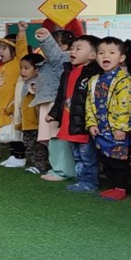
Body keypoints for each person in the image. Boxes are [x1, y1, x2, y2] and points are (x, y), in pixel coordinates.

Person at [85, 38, 131, 201]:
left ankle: (121, 188)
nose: (106, 56)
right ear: (95, 56)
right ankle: (113, 185)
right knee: (106, 159)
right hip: (101, 129)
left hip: (117, 130)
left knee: (119, 160)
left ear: (121, 57)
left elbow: (126, 106)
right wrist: (91, 123)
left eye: (112, 53)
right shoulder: (94, 80)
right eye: (101, 53)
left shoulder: (125, 80)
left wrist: (121, 127)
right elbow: (89, 104)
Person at [53, 34, 102, 194]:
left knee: (87, 156)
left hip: (83, 123)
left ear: (93, 55)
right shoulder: (68, 71)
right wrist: (54, 113)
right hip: (70, 122)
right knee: (77, 155)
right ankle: (82, 180)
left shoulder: (94, 72)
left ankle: (90, 182)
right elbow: (61, 96)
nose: (72, 51)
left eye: (78, 49)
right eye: (72, 48)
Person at [33, 28, 76, 182]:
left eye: (53, 42)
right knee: (52, 139)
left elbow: (53, 52)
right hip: (48, 101)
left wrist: (45, 38)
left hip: (55, 103)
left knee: (57, 138)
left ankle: (62, 170)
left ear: (64, 46)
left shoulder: (62, 57)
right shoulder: (54, 61)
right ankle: (57, 167)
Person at [0, 33, 28, 168]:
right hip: (4, 106)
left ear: (14, 50)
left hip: (14, 105)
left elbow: (22, 48)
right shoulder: (3, 66)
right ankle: (13, 155)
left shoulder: (18, 62)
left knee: (16, 132)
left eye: (4, 48)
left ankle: (20, 157)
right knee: (9, 133)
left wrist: (21, 32)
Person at [16, 53, 49, 174]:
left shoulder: (37, 83)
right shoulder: (25, 84)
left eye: (26, 68)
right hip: (27, 122)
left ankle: (41, 166)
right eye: (21, 68)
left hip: (36, 123)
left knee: (38, 146)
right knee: (30, 145)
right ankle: (36, 164)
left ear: (37, 70)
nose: (22, 71)